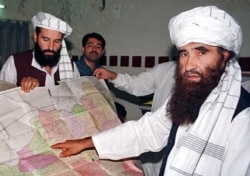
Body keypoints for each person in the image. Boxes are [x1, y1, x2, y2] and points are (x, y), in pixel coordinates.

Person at [51, 6, 250, 176]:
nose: (189, 64)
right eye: (184, 53)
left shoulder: (243, 115)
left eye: (201, 52)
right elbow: (145, 131)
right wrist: (88, 142)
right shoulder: (189, 97)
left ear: (224, 56)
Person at [94, 61, 176, 175]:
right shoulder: (166, 69)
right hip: (153, 138)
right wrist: (112, 75)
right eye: (184, 53)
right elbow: (137, 84)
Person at [0, 12, 80, 92]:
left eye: (56, 41)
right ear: (35, 37)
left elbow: (79, 98)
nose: (51, 47)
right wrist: (22, 90)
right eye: (45, 40)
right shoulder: (14, 62)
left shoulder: (71, 67)